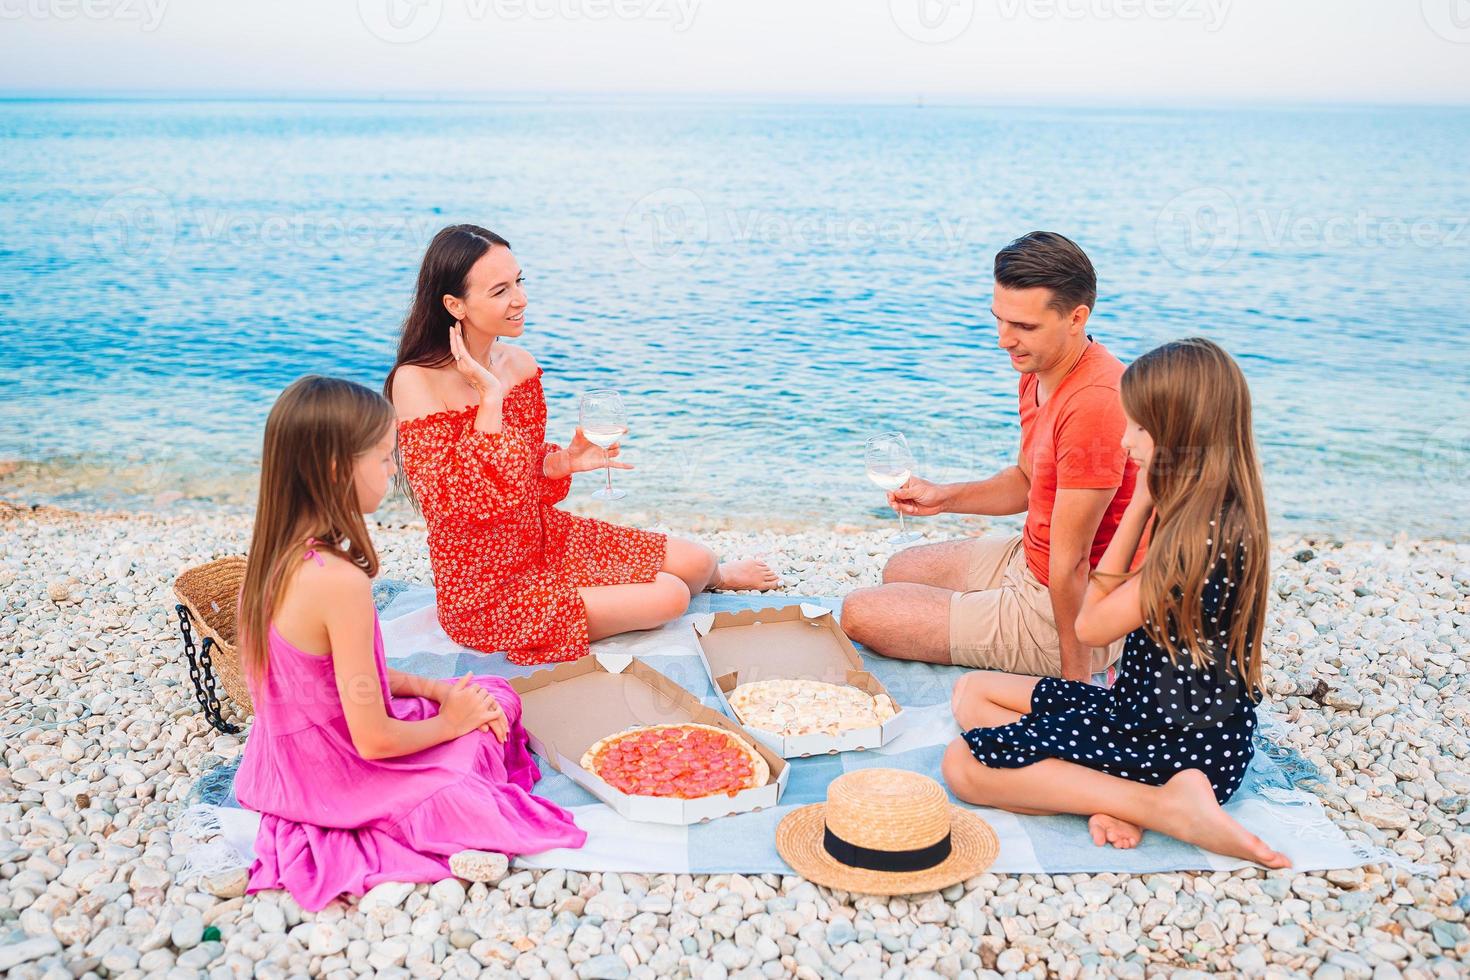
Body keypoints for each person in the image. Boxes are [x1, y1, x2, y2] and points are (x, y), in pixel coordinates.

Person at [233, 376, 587, 912]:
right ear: (337, 470)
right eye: (382, 457)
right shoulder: (336, 580)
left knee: (490, 692)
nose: (394, 469)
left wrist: (433, 690)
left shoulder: (272, 557)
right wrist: (451, 724)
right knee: (470, 763)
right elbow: (373, 741)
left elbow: (332, 681)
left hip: (279, 761)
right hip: (333, 773)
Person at [940, 338, 1289, 868]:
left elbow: (1091, 627)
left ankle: (1162, 806)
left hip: (1174, 743)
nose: (1126, 441)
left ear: (1179, 434)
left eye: (1140, 429)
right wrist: (1152, 497)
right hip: (1173, 720)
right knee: (971, 693)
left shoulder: (1193, 542)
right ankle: (1124, 795)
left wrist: (1141, 500)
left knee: (963, 763)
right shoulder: (1224, 512)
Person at [387, 224, 778, 666]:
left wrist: (557, 464)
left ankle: (716, 578)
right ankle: (643, 594)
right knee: (669, 596)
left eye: (520, 282)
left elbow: (520, 477)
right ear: (455, 305)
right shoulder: (416, 381)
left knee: (700, 562)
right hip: (485, 588)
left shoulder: (519, 363)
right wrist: (489, 398)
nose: (520, 299)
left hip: (542, 539)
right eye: (500, 290)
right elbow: (456, 504)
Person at [841, 232, 1140, 682]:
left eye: (1024, 327)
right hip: (1032, 560)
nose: (1004, 340)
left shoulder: (1094, 403)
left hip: (1073, 604)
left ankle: (1073, 659)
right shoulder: (1040, 368)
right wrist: (944, 497)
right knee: (899, 570)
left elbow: (1073, 560)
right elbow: (1026, 480)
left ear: (1077, 318)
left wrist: (1075, 684)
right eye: (999, 320)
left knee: (860, 613)